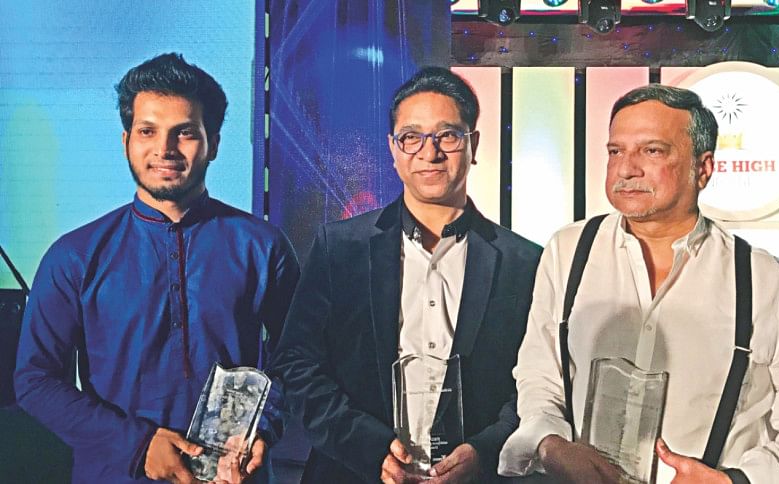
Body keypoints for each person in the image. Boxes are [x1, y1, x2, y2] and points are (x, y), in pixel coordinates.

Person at [498, 84, 779, 483]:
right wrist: (549, 442)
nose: (626, 169)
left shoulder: (765, 281)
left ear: (703, 169)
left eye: (652, 151)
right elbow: (539, 375)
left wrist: (735, 480)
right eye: (615, 151)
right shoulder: (568, 251)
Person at [14, 53, 300, 484]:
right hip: (114, 474)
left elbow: (299, 360)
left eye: (185, 132)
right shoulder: (74, 256)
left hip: (234, 475)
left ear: (213, 143)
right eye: (147, 131)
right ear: (126, 140)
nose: (164, 149)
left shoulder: (262, 246)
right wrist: (136, 445)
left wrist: (264, 427)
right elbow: (35, 380)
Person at [276, 67, 542, 483]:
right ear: (393, 148)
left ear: (473, 144)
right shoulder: (339, 248)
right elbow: (297, 364)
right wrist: (369, 447)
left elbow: (535, 381)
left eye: (447, 136)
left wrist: (485, 451)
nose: (429, 153)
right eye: (411, 137)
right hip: (354, 473)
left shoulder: (523, 261)